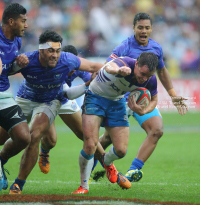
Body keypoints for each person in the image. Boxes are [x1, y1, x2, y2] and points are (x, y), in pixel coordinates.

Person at [93, 12, 188, 183]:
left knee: (157, 130)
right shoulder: (124, 47)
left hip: (142, 97)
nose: (143, 31)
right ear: (134, 28)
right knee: (108, 139)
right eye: (140, 27)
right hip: (121, 98)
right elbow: (108, 66)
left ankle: (133, 170)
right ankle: (93, 165)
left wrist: (173, 95)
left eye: (147, 28)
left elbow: (162, 71)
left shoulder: (156, 48)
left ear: (151, 29)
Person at [7, 30, 104, 194]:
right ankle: (7, 159)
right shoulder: (31, 60)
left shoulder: (71, 63)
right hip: (32, 96)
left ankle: (109, 165)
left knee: (85, 133)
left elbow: (87, 80)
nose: (55, 55)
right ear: (41, 51)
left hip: (59, 98)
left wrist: (113, 71)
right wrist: (17, 64)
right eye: (51, 50)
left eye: (57, 51)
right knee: (48, 139)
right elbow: (8, 69)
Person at [72, 52, 159, 194]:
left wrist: (143, 111)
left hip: (117, 103)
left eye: (148, 76)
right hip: (95, 97)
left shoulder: (150, 79)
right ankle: (84, 186)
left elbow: (154, 99)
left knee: (121, 150)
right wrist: (118, 71)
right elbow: (109, 67)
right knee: (90, 144)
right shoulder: (124, 63)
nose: (144, 79)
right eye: (142, 74)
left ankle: (106, 162)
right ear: (136, 64)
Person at [38, 45, 92, 174]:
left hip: (65, 95)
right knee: (51, 141)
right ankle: (44, 152)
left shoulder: (77, 65)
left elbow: (92, 81)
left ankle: (108, 166)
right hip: (46, 99)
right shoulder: (49, 66)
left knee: (87, 135)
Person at [0, 3, 31, 191]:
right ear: (11, 22)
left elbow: (6, 71)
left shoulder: (17, 42)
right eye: (23, 21)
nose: (25, 25)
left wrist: (18, 65)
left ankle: (1, 159)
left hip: (4, 94)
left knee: (23, 137)